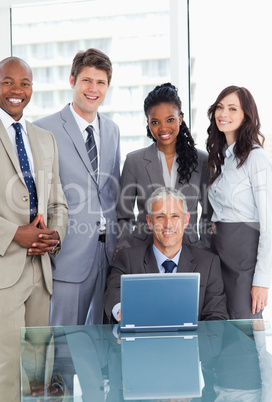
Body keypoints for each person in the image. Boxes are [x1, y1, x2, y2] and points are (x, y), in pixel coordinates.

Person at [34, 48, 120, 326]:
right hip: (67, 257)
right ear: (72, 81)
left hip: (108, 257)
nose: (93, 89)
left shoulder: (112, 130)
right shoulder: (43, 130)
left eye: (100, 82)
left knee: (103, 350)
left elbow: (112, 191)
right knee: (63, 348)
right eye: (87, 80)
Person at [0, 56, 68, 400]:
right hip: (4, 271)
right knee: (8, 369)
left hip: (41, 271)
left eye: (24, 83)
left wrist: (53, 236)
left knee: (39, 369)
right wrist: (15, 232)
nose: (16, 90)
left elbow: (58, 203)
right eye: (8, 82)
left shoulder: (45, 139)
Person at [104, 187, 228, 323]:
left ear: (186, 221)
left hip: (190, 342)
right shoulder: (128, 259)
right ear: (150, 222)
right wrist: (121, 311)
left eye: (175, 216)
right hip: (143, 342)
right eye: (160, 217)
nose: (168, 225)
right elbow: (113, 293)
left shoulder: (208, 263)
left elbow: (216, 316)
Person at [116, 83, 212, 252]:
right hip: (143, 251)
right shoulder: (134, 161)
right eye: (155, 122)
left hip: (189, 251)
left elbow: (208, 214)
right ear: (148, 123)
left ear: (180, 119)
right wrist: (124, 246)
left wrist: (203, 246)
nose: (163, 128)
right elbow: (124, 215)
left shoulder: (202, 161)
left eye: (170, 120)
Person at [206, 85, 272, 319]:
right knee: (219, 324)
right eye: (220, 107)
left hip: (244, 255)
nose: (224, 114)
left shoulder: (256, 158)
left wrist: (262, 280)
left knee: (244, 325)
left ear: (246, 116)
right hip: (217, 250)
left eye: (233, 109)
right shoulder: (221, 156)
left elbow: (268, 224)